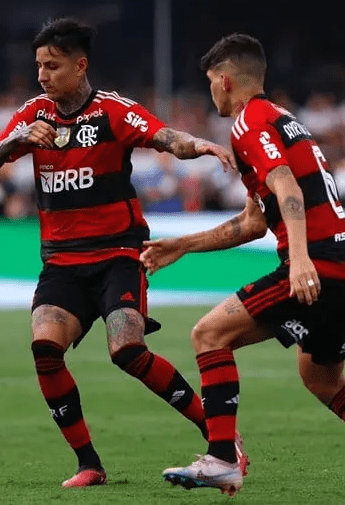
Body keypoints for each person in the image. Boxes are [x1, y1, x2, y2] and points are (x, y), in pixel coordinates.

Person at [0, 17, 244, 489]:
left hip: (119, 254)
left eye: (52, 66)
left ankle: (220, 437)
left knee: (127, 350)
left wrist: (200, 145)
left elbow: (165, 138)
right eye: (38, 65)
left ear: (80, 67)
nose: (42, 75)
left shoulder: (110, 111)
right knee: (44, 349)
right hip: (61, 260)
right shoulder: (34, 114)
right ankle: (89, 464)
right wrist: (15, 140)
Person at [145, 33, 345, 496]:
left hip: (319, 265)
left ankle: (220, 459)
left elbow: (289, 190)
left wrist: (298, 261)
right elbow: (255, 222)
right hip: (336, 262)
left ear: (225, 79)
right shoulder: (283, 120)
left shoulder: (248, 123)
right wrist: (183, 244)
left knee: (209, 335)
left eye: (211, 82)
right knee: (319, 377)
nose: (210, 91)